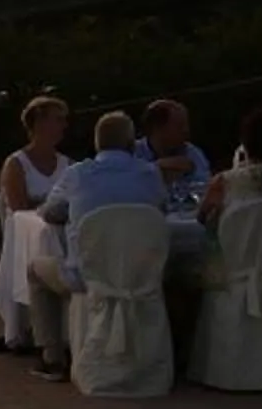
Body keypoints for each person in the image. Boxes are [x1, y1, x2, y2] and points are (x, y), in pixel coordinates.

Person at [25, 110, 167, 371]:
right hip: (140, 274)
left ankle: (52, 358)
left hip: (88, 276)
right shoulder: (150, 174)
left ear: (97, 143)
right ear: (131, 143)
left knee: (34, 270)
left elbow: (48, 212)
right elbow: (161, 211)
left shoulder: (77, 174)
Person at [0, 96, 71, 353]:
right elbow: (19, 207)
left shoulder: (68, 164)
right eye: (58, 119)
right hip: (26, 236)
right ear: (40, 123)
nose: (64, 125)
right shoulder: (17, 164)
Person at [139, 98, 211, 195]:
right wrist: (157, 168)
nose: (186, 130)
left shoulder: (192, 153)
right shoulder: (132, 153)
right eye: (179, 126)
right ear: (157, 128)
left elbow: (205, 187)